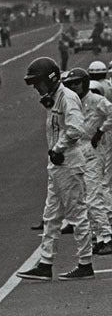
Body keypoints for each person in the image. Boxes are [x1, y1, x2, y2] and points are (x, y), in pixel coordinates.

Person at [17, 57, 94, 281]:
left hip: (68, 163)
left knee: (77, 214)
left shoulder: (67, 98)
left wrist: (58, 149)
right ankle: (45, 263)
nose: (36, 89)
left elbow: (75, 129)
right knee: (50, 216)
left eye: (38, 83)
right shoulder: (53, 98)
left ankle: (85, 263)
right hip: (58, 164)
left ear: (49, 80)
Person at [60, 68, 112, 254]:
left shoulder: (97, 100)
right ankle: (99, 236)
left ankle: (106, 237)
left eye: (77, 82)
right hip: (78, 152)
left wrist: (101, 130)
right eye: (71, 84)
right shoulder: (73, 102)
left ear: (85, 81)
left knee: (93, 197)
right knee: (82, 198)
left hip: (93, 151)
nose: (74, 86)